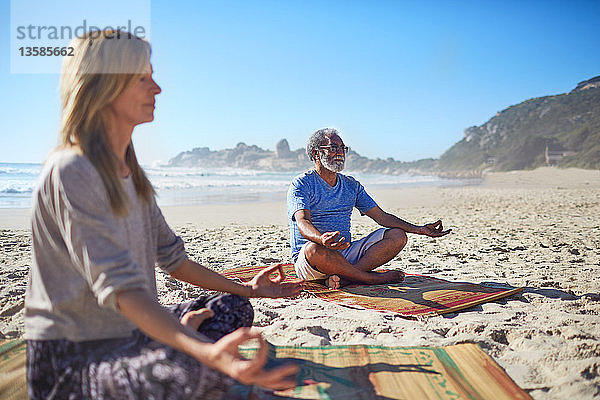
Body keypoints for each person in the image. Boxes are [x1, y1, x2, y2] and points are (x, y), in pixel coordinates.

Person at [25, 30, 302, 400]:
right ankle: (172, 352)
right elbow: (122, 288)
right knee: (200, 371)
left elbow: (174, 260)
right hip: (71, 362)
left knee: (233, 307)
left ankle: (166, 346)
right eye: (143, 78)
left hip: (130, 334)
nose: (157, 89)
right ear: (103, 85)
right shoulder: (72, 170)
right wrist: (201, 349)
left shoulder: (130, 174)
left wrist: (249, 288)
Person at [287, 127, 451, 289]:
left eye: (343, 148)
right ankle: (369, 278)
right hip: (312, 261)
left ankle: (347, 278)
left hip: (345, 254)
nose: (340, 153)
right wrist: (322, 239)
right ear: (316, 153)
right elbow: (302, 221)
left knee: (397, 235)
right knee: (315, 249)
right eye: (333, 148)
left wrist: (419, 230)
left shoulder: (351, 185)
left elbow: (382, 217)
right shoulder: (302, 183)